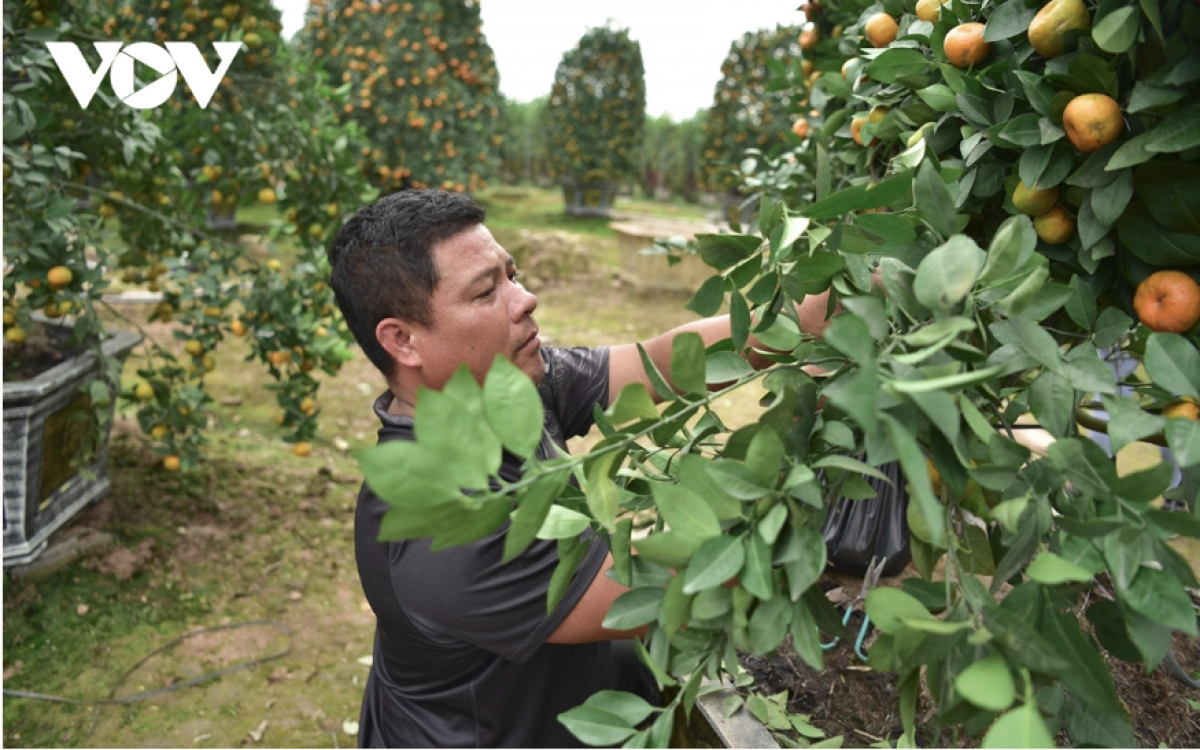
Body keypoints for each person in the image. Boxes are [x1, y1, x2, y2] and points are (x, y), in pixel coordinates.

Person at [327, 189, 839, 748]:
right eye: (485, 292)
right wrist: (809, 458)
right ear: (403, 340)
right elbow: (677, 589)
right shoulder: (442, 526)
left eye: (512, 274)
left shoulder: (505, 386)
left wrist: (808, 320)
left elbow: (659, 365)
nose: (526, 299)